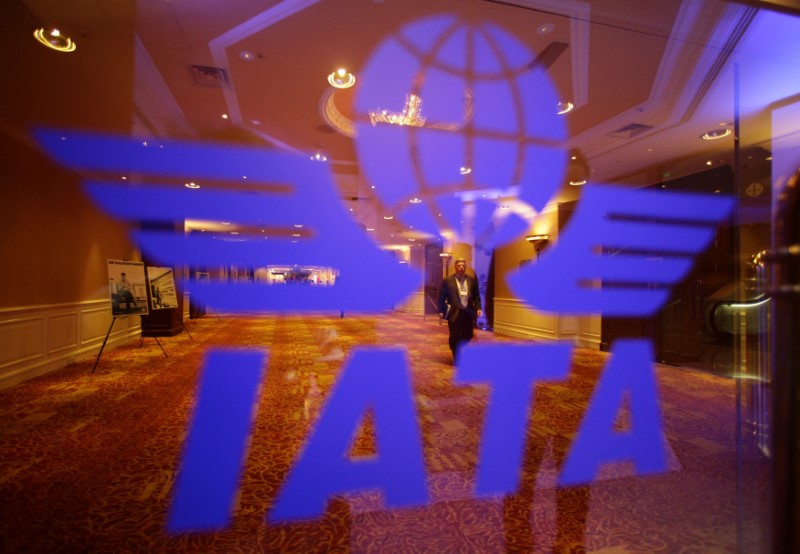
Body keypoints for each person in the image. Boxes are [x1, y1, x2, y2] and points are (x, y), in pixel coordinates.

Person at [438, 258, 482, 361]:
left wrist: (479, 307)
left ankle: (458, 346)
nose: (461, 268)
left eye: (463, 266)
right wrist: (440, 310)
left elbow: (476, 296)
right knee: (454, 335)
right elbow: (442, 296)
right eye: (459, 266)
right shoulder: (447, 280)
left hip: (468, 311)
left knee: (469, 334)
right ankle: (456, 356)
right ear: (455, 267)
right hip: (454, 312)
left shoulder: (472, 280)